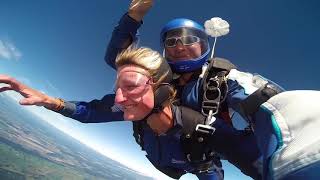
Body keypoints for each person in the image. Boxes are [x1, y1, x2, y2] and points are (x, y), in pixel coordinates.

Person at [105, 0, 265, 179]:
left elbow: (266, 104)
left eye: (189, 40)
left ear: (203, 45)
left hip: (202, 162)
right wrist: (133, 18)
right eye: (171, 42)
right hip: (162, 152)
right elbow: (119, 60)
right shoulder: (158, 75)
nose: (179, 47)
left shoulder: (221, 79)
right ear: (164, 48)